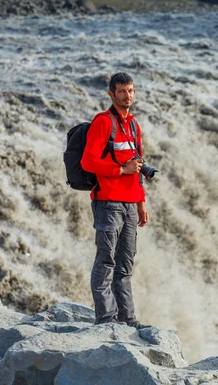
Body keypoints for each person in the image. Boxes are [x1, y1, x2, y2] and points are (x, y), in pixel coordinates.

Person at [81, 72, 151, 329]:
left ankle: (128, 319)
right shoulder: (103, 122)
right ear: (111, 94)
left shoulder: (134, 125)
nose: (127, 95)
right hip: (108, 202)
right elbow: (88, 161)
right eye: (122, 91)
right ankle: (106, 318)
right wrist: (121, 170)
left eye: (131, 90)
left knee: (125, 264)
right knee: (106, 260)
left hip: (130, 204)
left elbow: (139, 167)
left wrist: (141, 203)